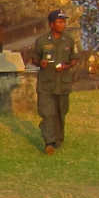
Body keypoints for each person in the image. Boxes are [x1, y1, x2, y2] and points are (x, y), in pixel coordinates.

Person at [30, 9, 81, 152]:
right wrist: (41, 63)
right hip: (46, 83)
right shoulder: (41, 41)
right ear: (52, 24)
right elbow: (34, 59)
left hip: (62, 83)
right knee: (47, 113)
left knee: (61, 113)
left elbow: (75, 59)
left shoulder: (69, 40)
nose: (62, 24)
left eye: (63, 21)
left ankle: (58, 139)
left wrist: (67, 66)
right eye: (59, 21)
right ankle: (49, 142)